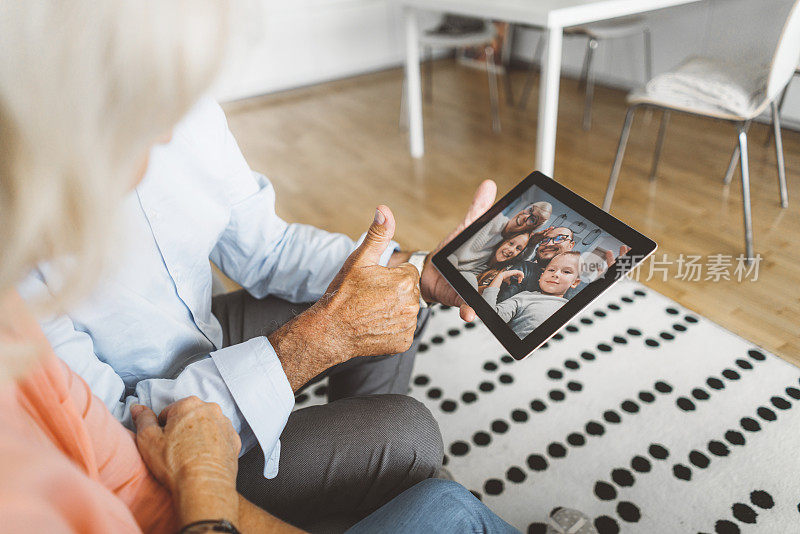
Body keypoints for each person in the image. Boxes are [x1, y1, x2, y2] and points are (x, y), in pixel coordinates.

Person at [0, 2, 528, 533]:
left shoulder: (184, 113)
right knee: (408, 434)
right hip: (151, 425)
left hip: (200, 335)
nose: (167, 133)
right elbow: (120, 436)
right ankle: (390, 482)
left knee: (395, 297)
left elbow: (267, 248)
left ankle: (368, 492)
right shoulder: (13, 257)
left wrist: (419, 270)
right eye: (142, 104)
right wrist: (321, 339)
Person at [483, 252, 582, 338]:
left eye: (566, 272)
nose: (556, 274)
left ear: (575, 282)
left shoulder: (576, 310)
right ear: (541, 276)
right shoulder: (524, 297)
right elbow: (490, 316)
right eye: (551, 270)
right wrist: (500, 277)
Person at [447, 201, 551, 277]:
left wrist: (532, 244)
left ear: (533, 228)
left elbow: (521, 259)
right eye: (530, 210)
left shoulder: (510, 242)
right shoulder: (494, 219)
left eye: (532, 220)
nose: (525, 217)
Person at [496, 226, 577, 303]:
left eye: (560, 238)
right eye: (545, 239)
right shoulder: (524, 268)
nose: (549, 244)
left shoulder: (577, 284)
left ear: (571, 245)